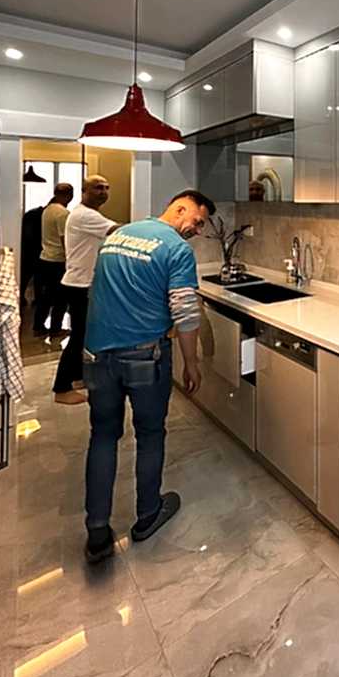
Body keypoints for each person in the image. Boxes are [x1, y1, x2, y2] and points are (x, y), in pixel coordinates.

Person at [82, 189, 215, 563]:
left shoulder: (119, 235)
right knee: (150, 433)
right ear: (180, 208)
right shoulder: (176, 249)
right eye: (198, 221)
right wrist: (192, 362)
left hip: (97, 354)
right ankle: (147, 514)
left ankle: (97, 531)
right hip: (144, 356)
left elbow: (99, 290)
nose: (197, 230)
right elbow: (185, 312)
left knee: (103, 435)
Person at [52, 175, 119, 405]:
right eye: (98, 188)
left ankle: (77, 376)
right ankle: (61, 388)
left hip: (79, 282)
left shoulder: (88, 214)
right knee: (79, 336)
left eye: (107, 188)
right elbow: (118, 231)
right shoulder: (85, 215)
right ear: (84, 191)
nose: (104, 192)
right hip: (80, 284)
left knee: (84, 334)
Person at [33, 183, 74, 338]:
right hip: (58, 260)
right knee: (61, 298)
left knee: (45, 296)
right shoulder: (63, 213)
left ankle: (38, 326)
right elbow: (65, 240)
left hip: (45, 258)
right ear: (69, 195)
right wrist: (71, 260)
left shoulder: (47, 210)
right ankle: (56, 329)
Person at [19, 204, 45, 310]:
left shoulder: (29, 214)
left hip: (26, 250)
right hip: (38, 249)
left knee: (25, 276)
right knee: (39, 278)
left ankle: (21, 298)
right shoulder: (42, 215)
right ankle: (38, 300)